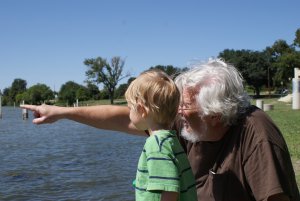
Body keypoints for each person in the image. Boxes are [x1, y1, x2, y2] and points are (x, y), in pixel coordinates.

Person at [21, 59, 300, 201]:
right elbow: (123, 118)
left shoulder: (256, 133)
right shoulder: (186, 125)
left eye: (185, 107)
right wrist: (61, 113)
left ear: (216, 114)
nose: (177, 113)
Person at [124, 69, 197, 201]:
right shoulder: (171, 139)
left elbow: (170, 190)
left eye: (130, 107)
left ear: (141, 110)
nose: (129, 113)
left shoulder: (156, 144)